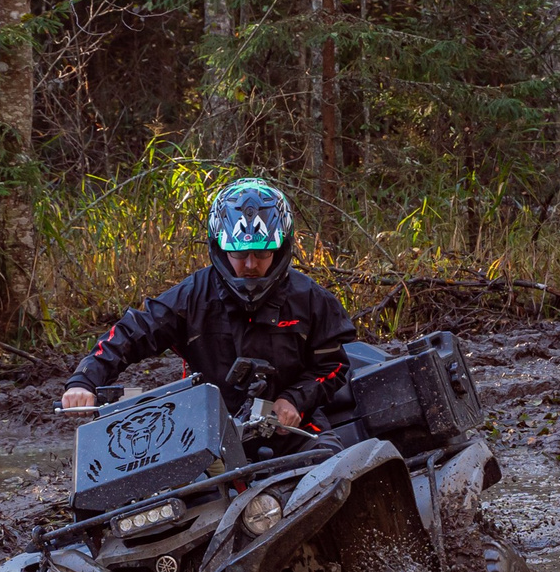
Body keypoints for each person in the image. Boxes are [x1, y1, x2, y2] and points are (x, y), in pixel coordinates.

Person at [60, 178, 357, 430]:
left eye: (261, 253)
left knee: (336, 468)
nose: (250, 264)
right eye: (239, 254)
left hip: (291, 428)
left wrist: (294, 399)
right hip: (207, 428)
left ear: (280, 249)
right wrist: (83, 381)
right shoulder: (193, 295)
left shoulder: (311, 299)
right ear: (220, 247)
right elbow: (133, 332)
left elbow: (333, 365)